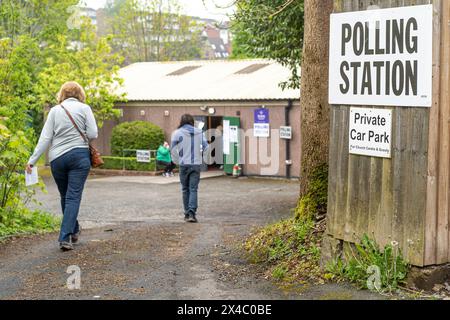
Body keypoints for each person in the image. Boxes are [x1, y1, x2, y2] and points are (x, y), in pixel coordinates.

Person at [26, 82, 98, 251]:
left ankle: (73, 230)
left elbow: (45, 138)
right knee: (72, 197)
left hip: (57, 158)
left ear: (62, 94)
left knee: (65, 196)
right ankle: (65, 237)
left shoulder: (54, 111)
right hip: (79, 157)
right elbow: (93, 133)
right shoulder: (85, 108)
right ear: (80, 94)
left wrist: (32, 161)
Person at [171, 114, 208, 223]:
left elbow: (173, 150)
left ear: (181, 121)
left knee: (185, 189)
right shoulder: (199, 132)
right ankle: (192, 213)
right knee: (193, 189)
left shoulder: (177, 133)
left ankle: (187, 213)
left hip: (183, 164)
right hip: (195, 165)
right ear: (192, 121)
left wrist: (177, 161)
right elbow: (206, 147)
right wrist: (200, 157)